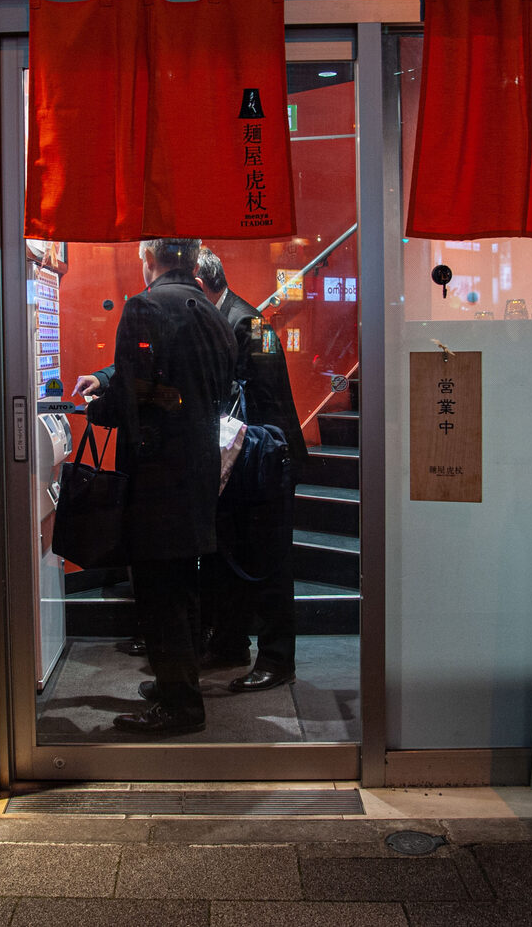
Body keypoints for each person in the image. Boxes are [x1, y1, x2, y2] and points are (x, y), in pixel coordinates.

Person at [71, 238, 236, 734]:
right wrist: (112, 381)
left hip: (156, 477)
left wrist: (98, 407)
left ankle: (180, 707)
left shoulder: (144, 307)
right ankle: (175, 685)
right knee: (183, 587)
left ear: (149, 258)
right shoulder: (211, 312)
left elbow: (135, 396)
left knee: (160, 593)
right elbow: (198, 385)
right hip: (198, 469)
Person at [195, 248, 309, 693]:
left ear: (201, 285)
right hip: (251, 457)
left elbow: (266, 401)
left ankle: (277, 660)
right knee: (232, 555)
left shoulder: (245, 323)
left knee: (269, 563)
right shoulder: (236, 318)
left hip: (265, 459)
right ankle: (229, 643)